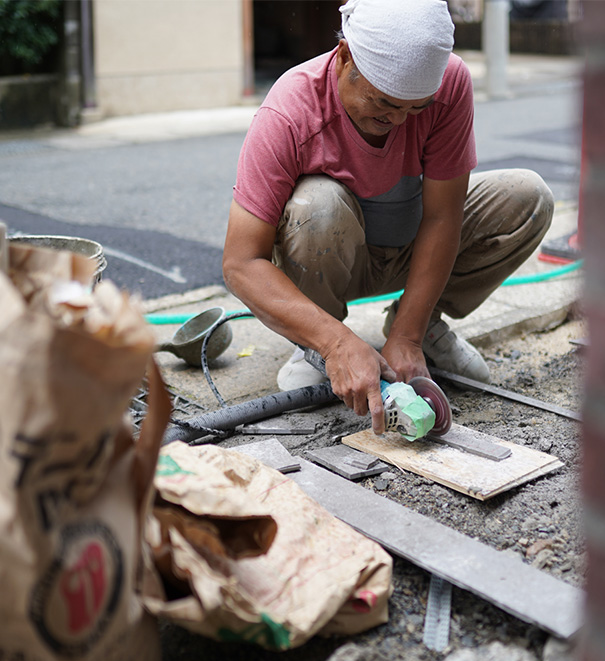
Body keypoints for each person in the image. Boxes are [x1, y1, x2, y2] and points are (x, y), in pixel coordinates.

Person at [222, 0, 553, 434]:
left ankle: (419, 322)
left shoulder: (450, 82)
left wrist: (408, 335)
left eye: (415, 109)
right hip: (330, 255)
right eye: (383, 102)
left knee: (528, 197)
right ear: (344, 58)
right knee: (315, 206)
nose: (397, 119)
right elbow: (241, 263)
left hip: (408, 242)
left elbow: (442, 217)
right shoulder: (289, 110)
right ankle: (315, 345)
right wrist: (334, 343)